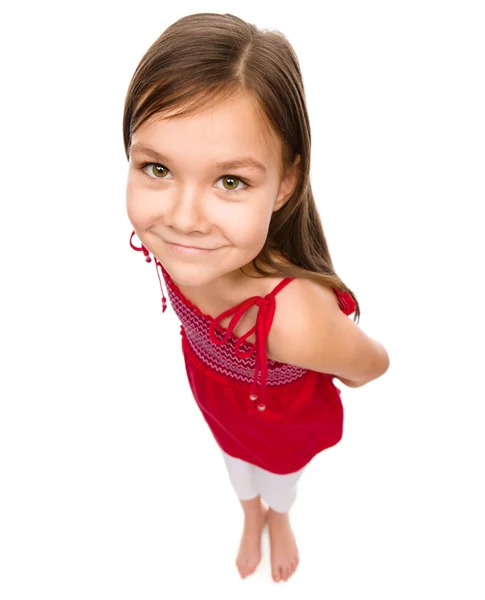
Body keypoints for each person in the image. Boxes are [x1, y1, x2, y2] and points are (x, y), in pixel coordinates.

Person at [124, 12, 389, 583]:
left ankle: (278, 517)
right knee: (235, 467)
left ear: (286, 184)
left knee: (277, 479)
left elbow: (371, 366)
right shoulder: (177, 245)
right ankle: (250, 515)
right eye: (158, 168)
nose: (183, 218)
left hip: (279, 421)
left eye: (230, 181)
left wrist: (323, 354)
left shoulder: (293, 319)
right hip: (215, 394)